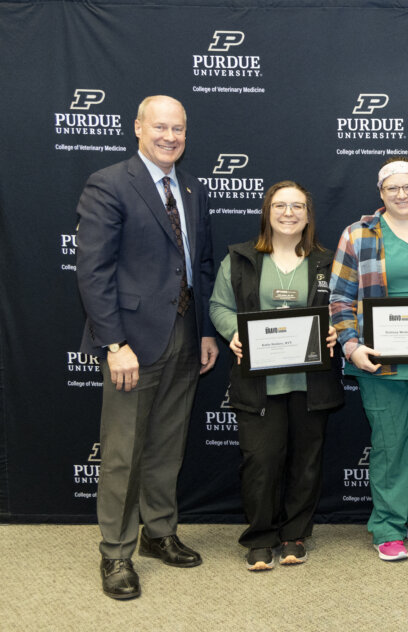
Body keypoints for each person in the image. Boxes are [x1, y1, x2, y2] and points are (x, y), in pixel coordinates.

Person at [75, 95, 218, 599]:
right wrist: (114, 343)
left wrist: (202, 331)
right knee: (121, 453)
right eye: (160, 127)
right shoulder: (110, 184)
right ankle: (115, 553)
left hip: (183, 335)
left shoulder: (193, 189)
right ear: (137, 127)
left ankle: (158, 532)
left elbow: (200, 265)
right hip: (132, 342)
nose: (170, 137)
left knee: (166, 445)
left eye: (178, 129)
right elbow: (93, 272)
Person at [209, 180, 345, 571]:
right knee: (261, 460)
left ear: (308, 214)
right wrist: (234, 331)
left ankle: (295, 535)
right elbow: (219, 305)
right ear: (267, 212)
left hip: (310, 382)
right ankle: (260, 537)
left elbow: (342, 305)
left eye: (297, 206)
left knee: (306, 460)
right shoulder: (239, 259)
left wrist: (337, 327)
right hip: (259, 381)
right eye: (280, 206)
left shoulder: (327, 261)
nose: (289, 213)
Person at [329, 158, 408, 561]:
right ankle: (387, 526)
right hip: (380, 362)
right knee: (388, 447)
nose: (401, 195)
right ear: (381, 193)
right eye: (392, 188)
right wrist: (352, 346)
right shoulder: (357, 234)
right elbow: (339, 298)